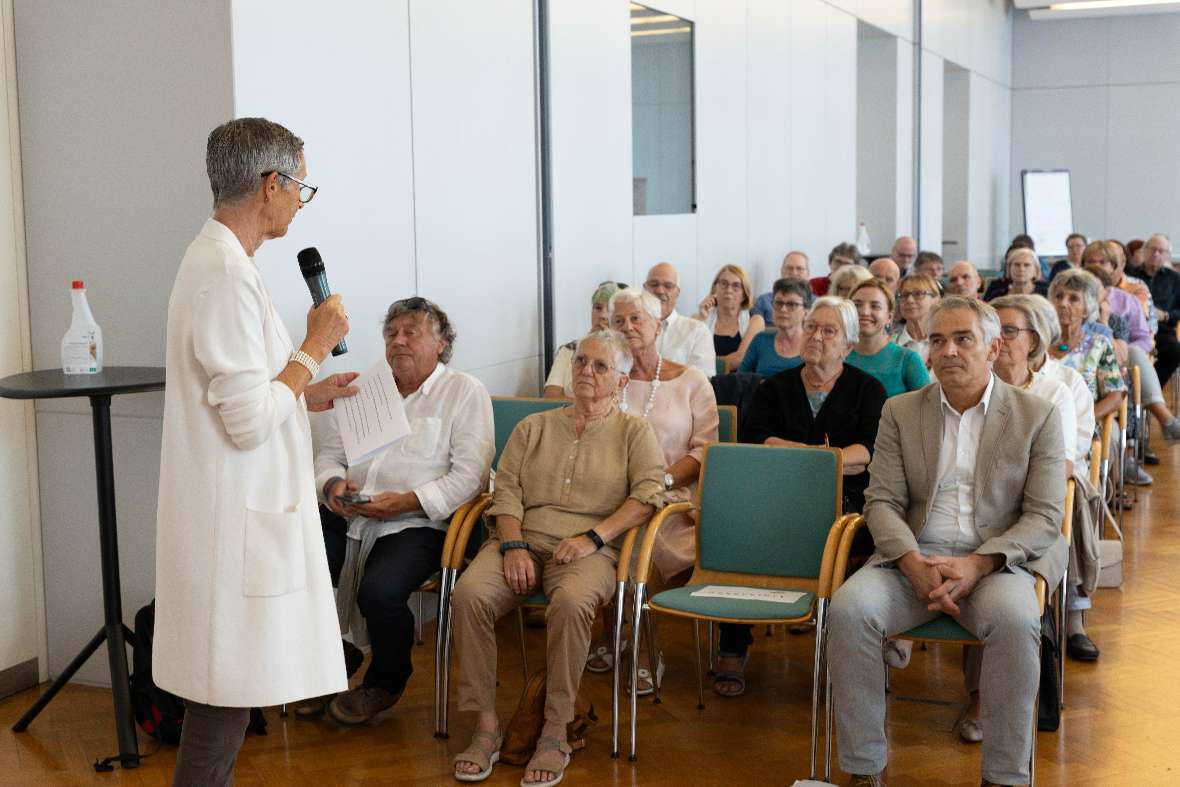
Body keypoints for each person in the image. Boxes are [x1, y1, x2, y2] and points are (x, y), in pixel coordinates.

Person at [155, 118, 360, 786]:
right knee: (220, 713)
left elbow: (253, 392)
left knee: (227, 712)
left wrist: (307, 388)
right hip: (231, 532)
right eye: (301, 184)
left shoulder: (225, 263)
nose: (302, 199)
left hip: (236, 524)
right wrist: (314, 346)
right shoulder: (224, 275)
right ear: (272, 185)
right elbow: (245, 421)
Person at [829, 296, 1066, 787]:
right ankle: (865, 768)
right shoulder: (901, 411)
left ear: (994, 346)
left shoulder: (1036, 415)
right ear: (927, 351)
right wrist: (913, 563)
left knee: (1018, 621)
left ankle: (1003, 776)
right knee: (849, 610)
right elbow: (882, 502)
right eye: (938, 340)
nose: (949, 351)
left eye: (963, 339)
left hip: (994, 565)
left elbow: (1045, 516)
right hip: (909, 559)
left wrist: (978, 565)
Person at [450, 330, 664, 785]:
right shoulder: (535, 427)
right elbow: (504, 490)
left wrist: (592, 537)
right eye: (581, 361)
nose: (585, 371)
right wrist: (511, 544)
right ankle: (485, 725)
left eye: (600, 366)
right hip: (521, 540)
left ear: (622, 382)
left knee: (570, 604)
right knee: (468, 594)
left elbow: (648, 496)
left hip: (591, 551)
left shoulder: (634, 433)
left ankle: (554, 730)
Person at [312, 298, 494, 725]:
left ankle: (385, 682)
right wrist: (334, 486)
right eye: (391, 333)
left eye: (411, 332)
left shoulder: (464, 392)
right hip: (351, 512)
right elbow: (328, 457)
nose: (398, 341)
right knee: (302, 566)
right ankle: (331, 659)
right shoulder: (365, 388)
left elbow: (471, 475)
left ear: (442, 343)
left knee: (379, 591)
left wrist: (406, 501)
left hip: (422, 521)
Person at [717, 297, 886, 697]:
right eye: (812, 327)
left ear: (847, 344)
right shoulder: (774, 387)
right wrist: (829, 459)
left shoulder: (867, 389)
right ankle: (733, 643)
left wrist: (818, 461)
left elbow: (872, 448)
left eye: (829, 331)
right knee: (740, 528)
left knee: (855, 538)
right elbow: (756, 439)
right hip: (779, 494)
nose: (816, 337)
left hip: (846, 503)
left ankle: (845, 650)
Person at [583, 289, 719, 691]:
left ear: (658, 325)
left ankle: (643, 646)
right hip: (608, 494)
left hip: (672, 497)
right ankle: (611, 633)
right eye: (618, 320)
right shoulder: (605, 376)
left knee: (640, 531)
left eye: (636, 319)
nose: (627, 328)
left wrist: (658, 482)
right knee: (600, 524)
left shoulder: (691, 382)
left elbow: (704, 451)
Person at [1048, 268, 1125, 662]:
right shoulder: (1038, 344)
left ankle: (1076, 620)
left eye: (1073, 299)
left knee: (1074, 495)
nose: (1064, 305)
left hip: (1081, 439)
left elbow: (1116, 392)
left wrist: (1084, 418)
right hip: (1038, 441)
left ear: (1088, 307)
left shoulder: (1098, 344)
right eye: (1059, 297)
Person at [847, 279, 929, 397]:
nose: (864, 312)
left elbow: (930, 408)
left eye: (875, 306)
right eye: (857, 305)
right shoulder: (837, 357)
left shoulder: (907, 359)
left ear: (889, 317)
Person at [544, 281, 626, 398]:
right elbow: (551, 395)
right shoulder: (569, 349)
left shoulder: (626, 355)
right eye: (598, 308)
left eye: (610, 310)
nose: (602, 315)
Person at [643, 262, 716, 377]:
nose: (660, 291)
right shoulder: (630, 328)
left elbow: (703, 380)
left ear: (677, 293)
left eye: (668, 286)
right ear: (645, 289)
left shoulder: (698, 331)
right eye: (654, 284)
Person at [1131, 234, 1180, 407]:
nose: (1156, 254)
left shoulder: (1175, 279)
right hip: (1135, 329)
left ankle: (1148, 395)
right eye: (1153, 249)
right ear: (1145, 251)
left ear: (1167, 255)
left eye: (1161, 251)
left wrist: (1166, 315)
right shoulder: (1130, 274)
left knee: (1175, 351)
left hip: (1162, 329)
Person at [695, 264, 765, 372]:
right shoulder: (698, 318)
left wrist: (705, 362)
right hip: (704, 382)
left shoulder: (755, 320)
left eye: (736, 286)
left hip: (739, 383)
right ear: (715, 288)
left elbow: (740, 359)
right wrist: (701, 319)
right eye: (724, 284)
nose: (729, 290)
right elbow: (690, 356)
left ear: (744, 293)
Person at [739, 277, 811, 377]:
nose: (783, 309)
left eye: (791, 304)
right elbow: (740, 380)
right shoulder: (761, 340)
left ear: (806, 312)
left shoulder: (813, 344)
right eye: (779, 303)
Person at [892, 273, 941, 364]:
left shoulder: (947, 341)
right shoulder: (889, 344)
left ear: (935, 300)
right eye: (905, 295)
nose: (909, 300)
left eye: (918, 294)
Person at [752, 250, 809, 323]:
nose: (794, 273)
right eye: (789, 268)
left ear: (808, 274)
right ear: (781, 271)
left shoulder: (818, 303)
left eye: (799, 269)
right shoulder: (763, 301)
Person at [982, 247, 1048, 301]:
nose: (1021, 269)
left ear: (1036, 270)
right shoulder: (996, 296)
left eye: (1027, 265)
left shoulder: (1046, 295)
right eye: (1017, 265)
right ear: (1009, 268)